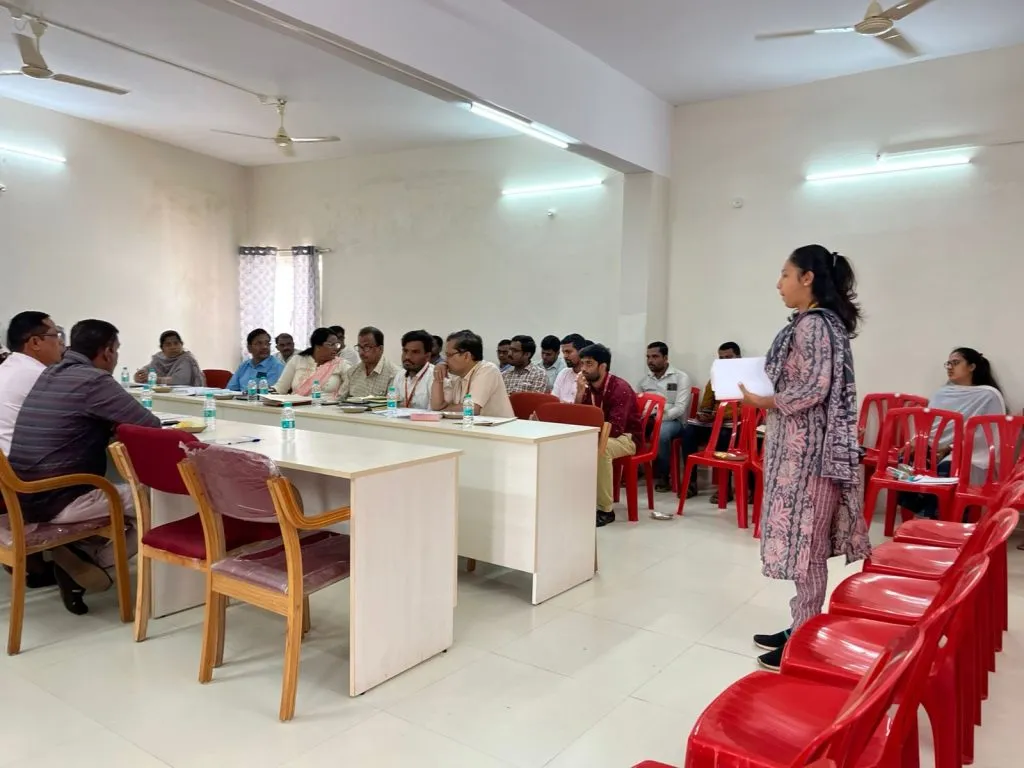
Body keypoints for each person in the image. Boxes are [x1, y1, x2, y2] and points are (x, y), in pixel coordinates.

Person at [737, 245, 871, 671]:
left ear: (807, 278)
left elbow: (811, 388)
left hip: (807, 453)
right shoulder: (819, 323)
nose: (779, 284)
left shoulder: (815, 325)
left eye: (785, 275)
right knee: (803, 544)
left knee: (807, 546)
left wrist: (764, 399)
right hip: (802, 446)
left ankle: (805, 636)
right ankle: (801, 622)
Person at [8, 319, 162, 615]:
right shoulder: (94, 380)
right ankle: (93, 564)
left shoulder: (50, 373)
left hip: (24, 493)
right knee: (158, 499)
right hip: (57, 497)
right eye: (116, 350)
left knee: (126, 507)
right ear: (107, 352)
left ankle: (81, 555)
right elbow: (151, 426)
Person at [898, 347, 1006, 519]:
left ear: (972, 367)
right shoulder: (942, 393)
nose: (950, 367)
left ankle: (946, 518)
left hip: (969, 453)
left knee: (947, 467)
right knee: (904, 460)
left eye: (955, 363)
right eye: (948, 363)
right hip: (935, 448)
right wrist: (916, 441)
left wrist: (951, 448)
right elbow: (930, 425)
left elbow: (989, 434)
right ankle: (926, 514)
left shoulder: (989, 395)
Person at [576, 343, 641, 527]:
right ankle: (579, 499)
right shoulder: (587, 387)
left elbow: (616, 428)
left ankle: (606, 510)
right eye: (582, 364)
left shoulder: (620, 387)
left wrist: (590, 436)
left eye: (588, 364)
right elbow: (578, 418)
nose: (583, 369)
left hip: (627, 437)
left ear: (602, 366)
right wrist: (580, 394)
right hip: (599, 434)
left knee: (601, 449)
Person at [679, 342, 742, 500]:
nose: (724, 361)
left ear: (739, 358)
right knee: (688, 432)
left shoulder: (746, 379)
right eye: (721, 358)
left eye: (729, 357)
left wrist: (721, 414)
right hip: (714, 422)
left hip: (736, 426)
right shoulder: (715, 378)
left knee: (723, 435)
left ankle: (724, 487)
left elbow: (747, 408)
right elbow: (706, 405)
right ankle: (691, 483)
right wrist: (704, 414)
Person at [0, 312, 65, 455]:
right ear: (35, 342)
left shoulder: (9, 367)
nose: (61, 342)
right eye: (56, 335)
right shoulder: (38, 375)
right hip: (19, 469)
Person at [637, 342, 693, 497]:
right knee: (628, 428)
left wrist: (659, 418)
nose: (650, 361)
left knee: (661, 433)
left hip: (674, 422)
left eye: (655, 356)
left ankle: (663, 475)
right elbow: (638, 404)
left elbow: (680, 408)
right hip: (648, 419)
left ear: (666, 358)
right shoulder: (644, 381)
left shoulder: (681, 378)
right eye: (648, 357)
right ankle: (635, 470)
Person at [431, 330, 514, 418]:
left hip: (497, 429)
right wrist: (438, 378)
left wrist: (443, 410)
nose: (445, 360)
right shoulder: (456, 375)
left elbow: (471, 409)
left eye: (449, 355)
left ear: (466, 356)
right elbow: (437, 406)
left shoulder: (488, 369)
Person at [273, 327, 349, 397]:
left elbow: (352, 382)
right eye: (331, 345)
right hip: (297, 408)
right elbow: (280, 388)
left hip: (328, 409)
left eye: (336, 345)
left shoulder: (341, 364)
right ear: (318, 346)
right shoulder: (298, 360)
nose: (335, 348)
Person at [341, 326, 400, 399]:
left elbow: (392, 405)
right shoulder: (352, 372)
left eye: (367, 347)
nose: (361, 352)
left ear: (380, 349)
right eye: (359, 347)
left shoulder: (394, 374)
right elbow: (340, 399)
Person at [133, 330, 205, 387]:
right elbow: (148, 369)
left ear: (182, 344)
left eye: (176, 343)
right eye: (168, 344)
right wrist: (139, 375)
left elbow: (180, 381)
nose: (173, 347)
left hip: (188, 398)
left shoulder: (187, 359)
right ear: (162, 348)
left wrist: (156, 379)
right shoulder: (159, 359)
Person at [391, 330, 434, 410]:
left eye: (415, 352)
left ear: (427, 356)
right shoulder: (400, 375)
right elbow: (392, 405)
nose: (407, 357)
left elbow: (434, 412)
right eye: (405, 351)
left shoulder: (434, 376)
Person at [552, 333, 587, 403]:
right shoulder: (563, 373)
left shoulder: (590, 375)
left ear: (582, 351)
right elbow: (553, 400)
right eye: (563, 352)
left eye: (568, 352)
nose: (565, 356)